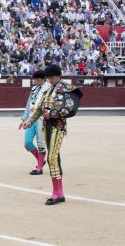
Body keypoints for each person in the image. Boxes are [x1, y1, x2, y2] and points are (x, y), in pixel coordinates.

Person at [21, 64, 82, 206]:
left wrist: (52, 114)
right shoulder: (48, 89)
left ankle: (56, 193)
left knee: (52, 157)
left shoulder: (67, 88)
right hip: (46, 126)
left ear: (57, 76)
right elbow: (39, 109)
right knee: (54, 157)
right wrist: (29, 122)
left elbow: (71, 109)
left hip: (58, 127)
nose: (49, 80)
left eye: (50, 78)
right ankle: (59, 193)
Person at [18, 70, 47, 175]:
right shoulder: (34, 89)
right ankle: (41, 161)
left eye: (36, 79)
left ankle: (39, 167)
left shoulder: (48, 89)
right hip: (31, 119)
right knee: (27, 142)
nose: (35, 81)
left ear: (41, 79)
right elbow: (28, 106)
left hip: (42, 119)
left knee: (41, 144)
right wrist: (23, 119)